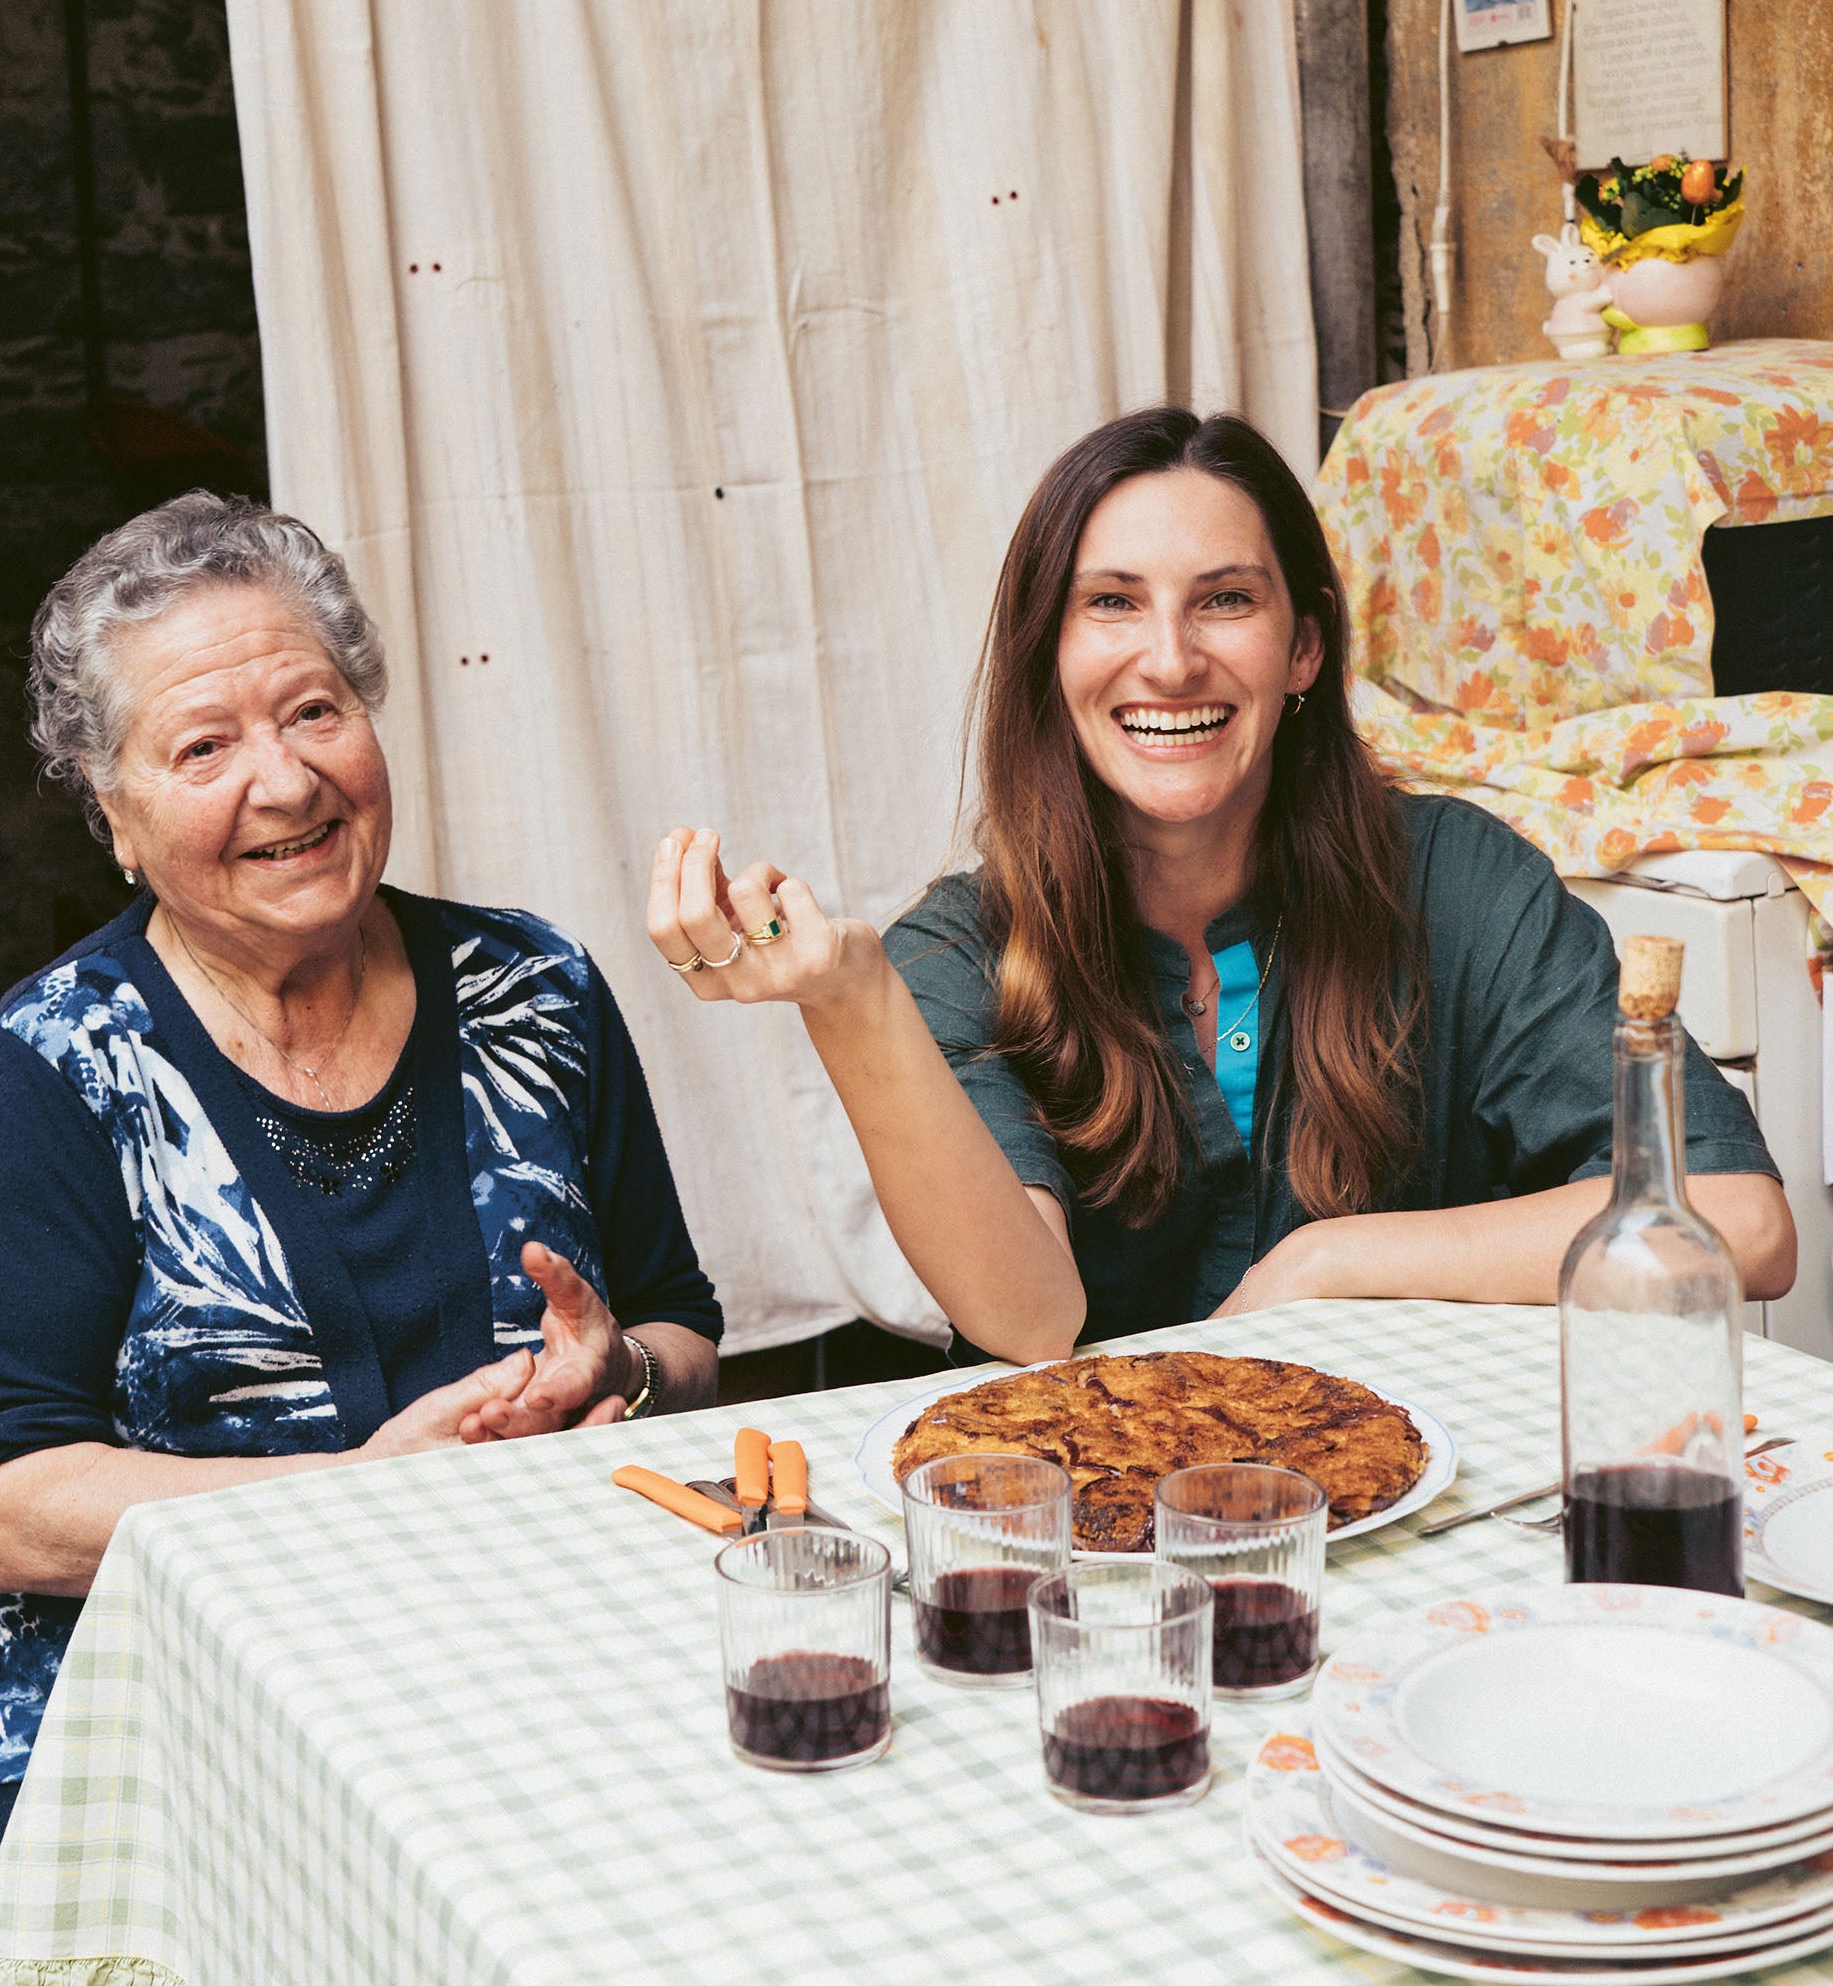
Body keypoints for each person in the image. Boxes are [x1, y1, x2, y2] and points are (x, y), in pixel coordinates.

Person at [0, 491, 719, 1986]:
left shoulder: (530, 985)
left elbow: (679, 1324)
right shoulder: (60, 1065)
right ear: (111, 807)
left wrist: (603, 1372)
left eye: (316, 706)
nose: (282, 776)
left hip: (500, 1672)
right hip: (103, 1732)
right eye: (202, 742)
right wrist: (358, 1494)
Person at [645, 407, 1793, 1357]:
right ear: (1053, 653)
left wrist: (1330, 1260)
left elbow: (1743, 1221)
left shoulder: (1458, 878)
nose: (1171, 657)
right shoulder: (956, 953)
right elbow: (1029, 1320)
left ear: (1303, 649)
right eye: (1112, 602)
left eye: (1226, 599)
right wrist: (852, 1007)